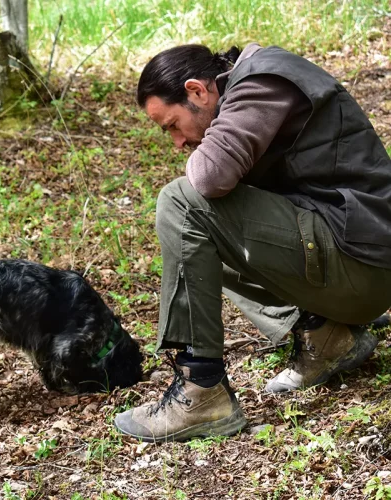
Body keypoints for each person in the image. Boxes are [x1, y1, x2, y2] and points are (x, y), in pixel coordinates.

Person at [114, 42, 391, 443]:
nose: (177, 142)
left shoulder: (262, 82)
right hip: (353, 258)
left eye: (172, 125)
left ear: (196, 91)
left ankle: (201, 389)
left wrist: (203, 153)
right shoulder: (248, 88)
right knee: (201, 242)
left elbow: (208, 177)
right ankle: (325, 335)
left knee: (182, 202)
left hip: (363, 265)